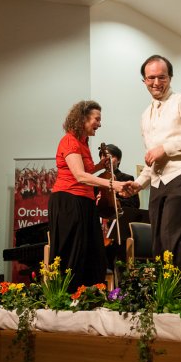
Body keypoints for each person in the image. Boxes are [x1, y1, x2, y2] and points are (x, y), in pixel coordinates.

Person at [124, 55, 181, 289]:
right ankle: (167, 294)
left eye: (161, 77)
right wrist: (139, 184)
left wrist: (166, 148)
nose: (156, 82)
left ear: (170, 77)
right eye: (151, 78)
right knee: (159, 241)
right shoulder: (145, 115)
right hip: (158, 182)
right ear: (144, 80)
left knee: (176, 238)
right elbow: (152, 158)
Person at [48, 100, 127, 291]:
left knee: (93, 252)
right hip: (68, 201)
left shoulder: (82, 143)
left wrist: (100, 166)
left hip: (84, 201)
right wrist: (112, 184)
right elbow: (80, 176)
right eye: (96, 119)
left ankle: (90, 296)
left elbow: (87, 170)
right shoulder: (69, 141)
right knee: (73, 253)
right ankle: (68, 296)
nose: (99, 124)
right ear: (83, 118)